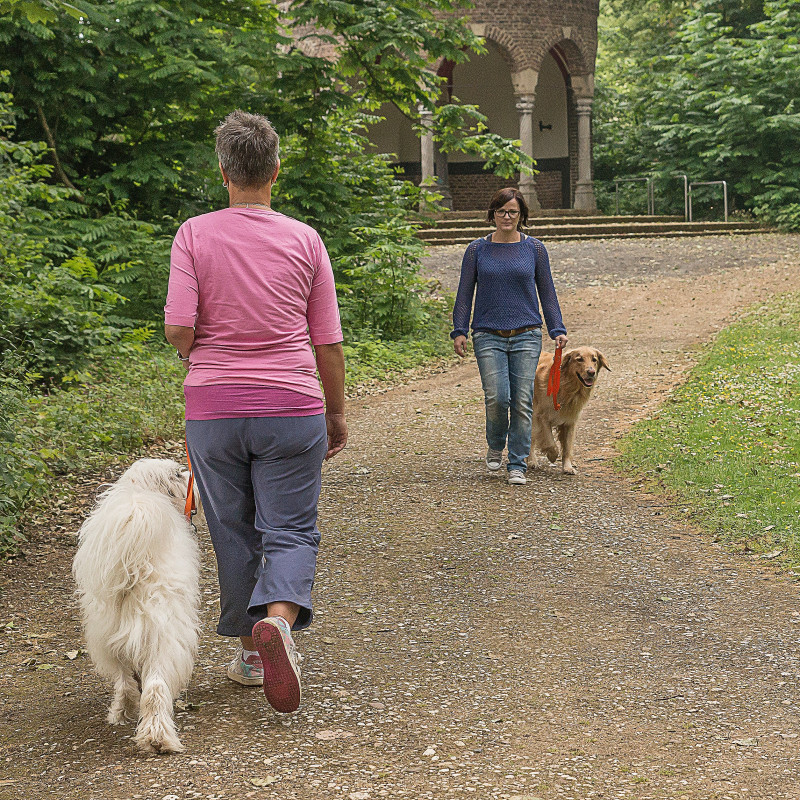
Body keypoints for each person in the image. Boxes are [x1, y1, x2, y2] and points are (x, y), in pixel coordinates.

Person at [164, 109, 347, 714]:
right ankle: (280, 622)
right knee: (290, 528)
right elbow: (327, 342)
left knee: (233, 530)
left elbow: (179, 328)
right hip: (292, 405)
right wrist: (335, 413)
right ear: (276, 170)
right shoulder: (305, 240)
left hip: (214, 410)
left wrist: (204, 357)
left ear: (223, 173)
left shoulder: (193, 235)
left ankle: (250, 653)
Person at [451, 186, 568, 486]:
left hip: (526, 334)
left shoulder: (535, 249)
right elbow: (464, 293)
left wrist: (557, 329)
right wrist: (459, 330)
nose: (507, 216)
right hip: (487, 334)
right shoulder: (477, 250)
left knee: (522, 400)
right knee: (497, 397)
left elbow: (548, 292)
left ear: (521, 215)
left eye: (513, 212)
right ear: (492, 214)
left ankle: (517, 463)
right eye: (501, 211)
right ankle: (495, 443)